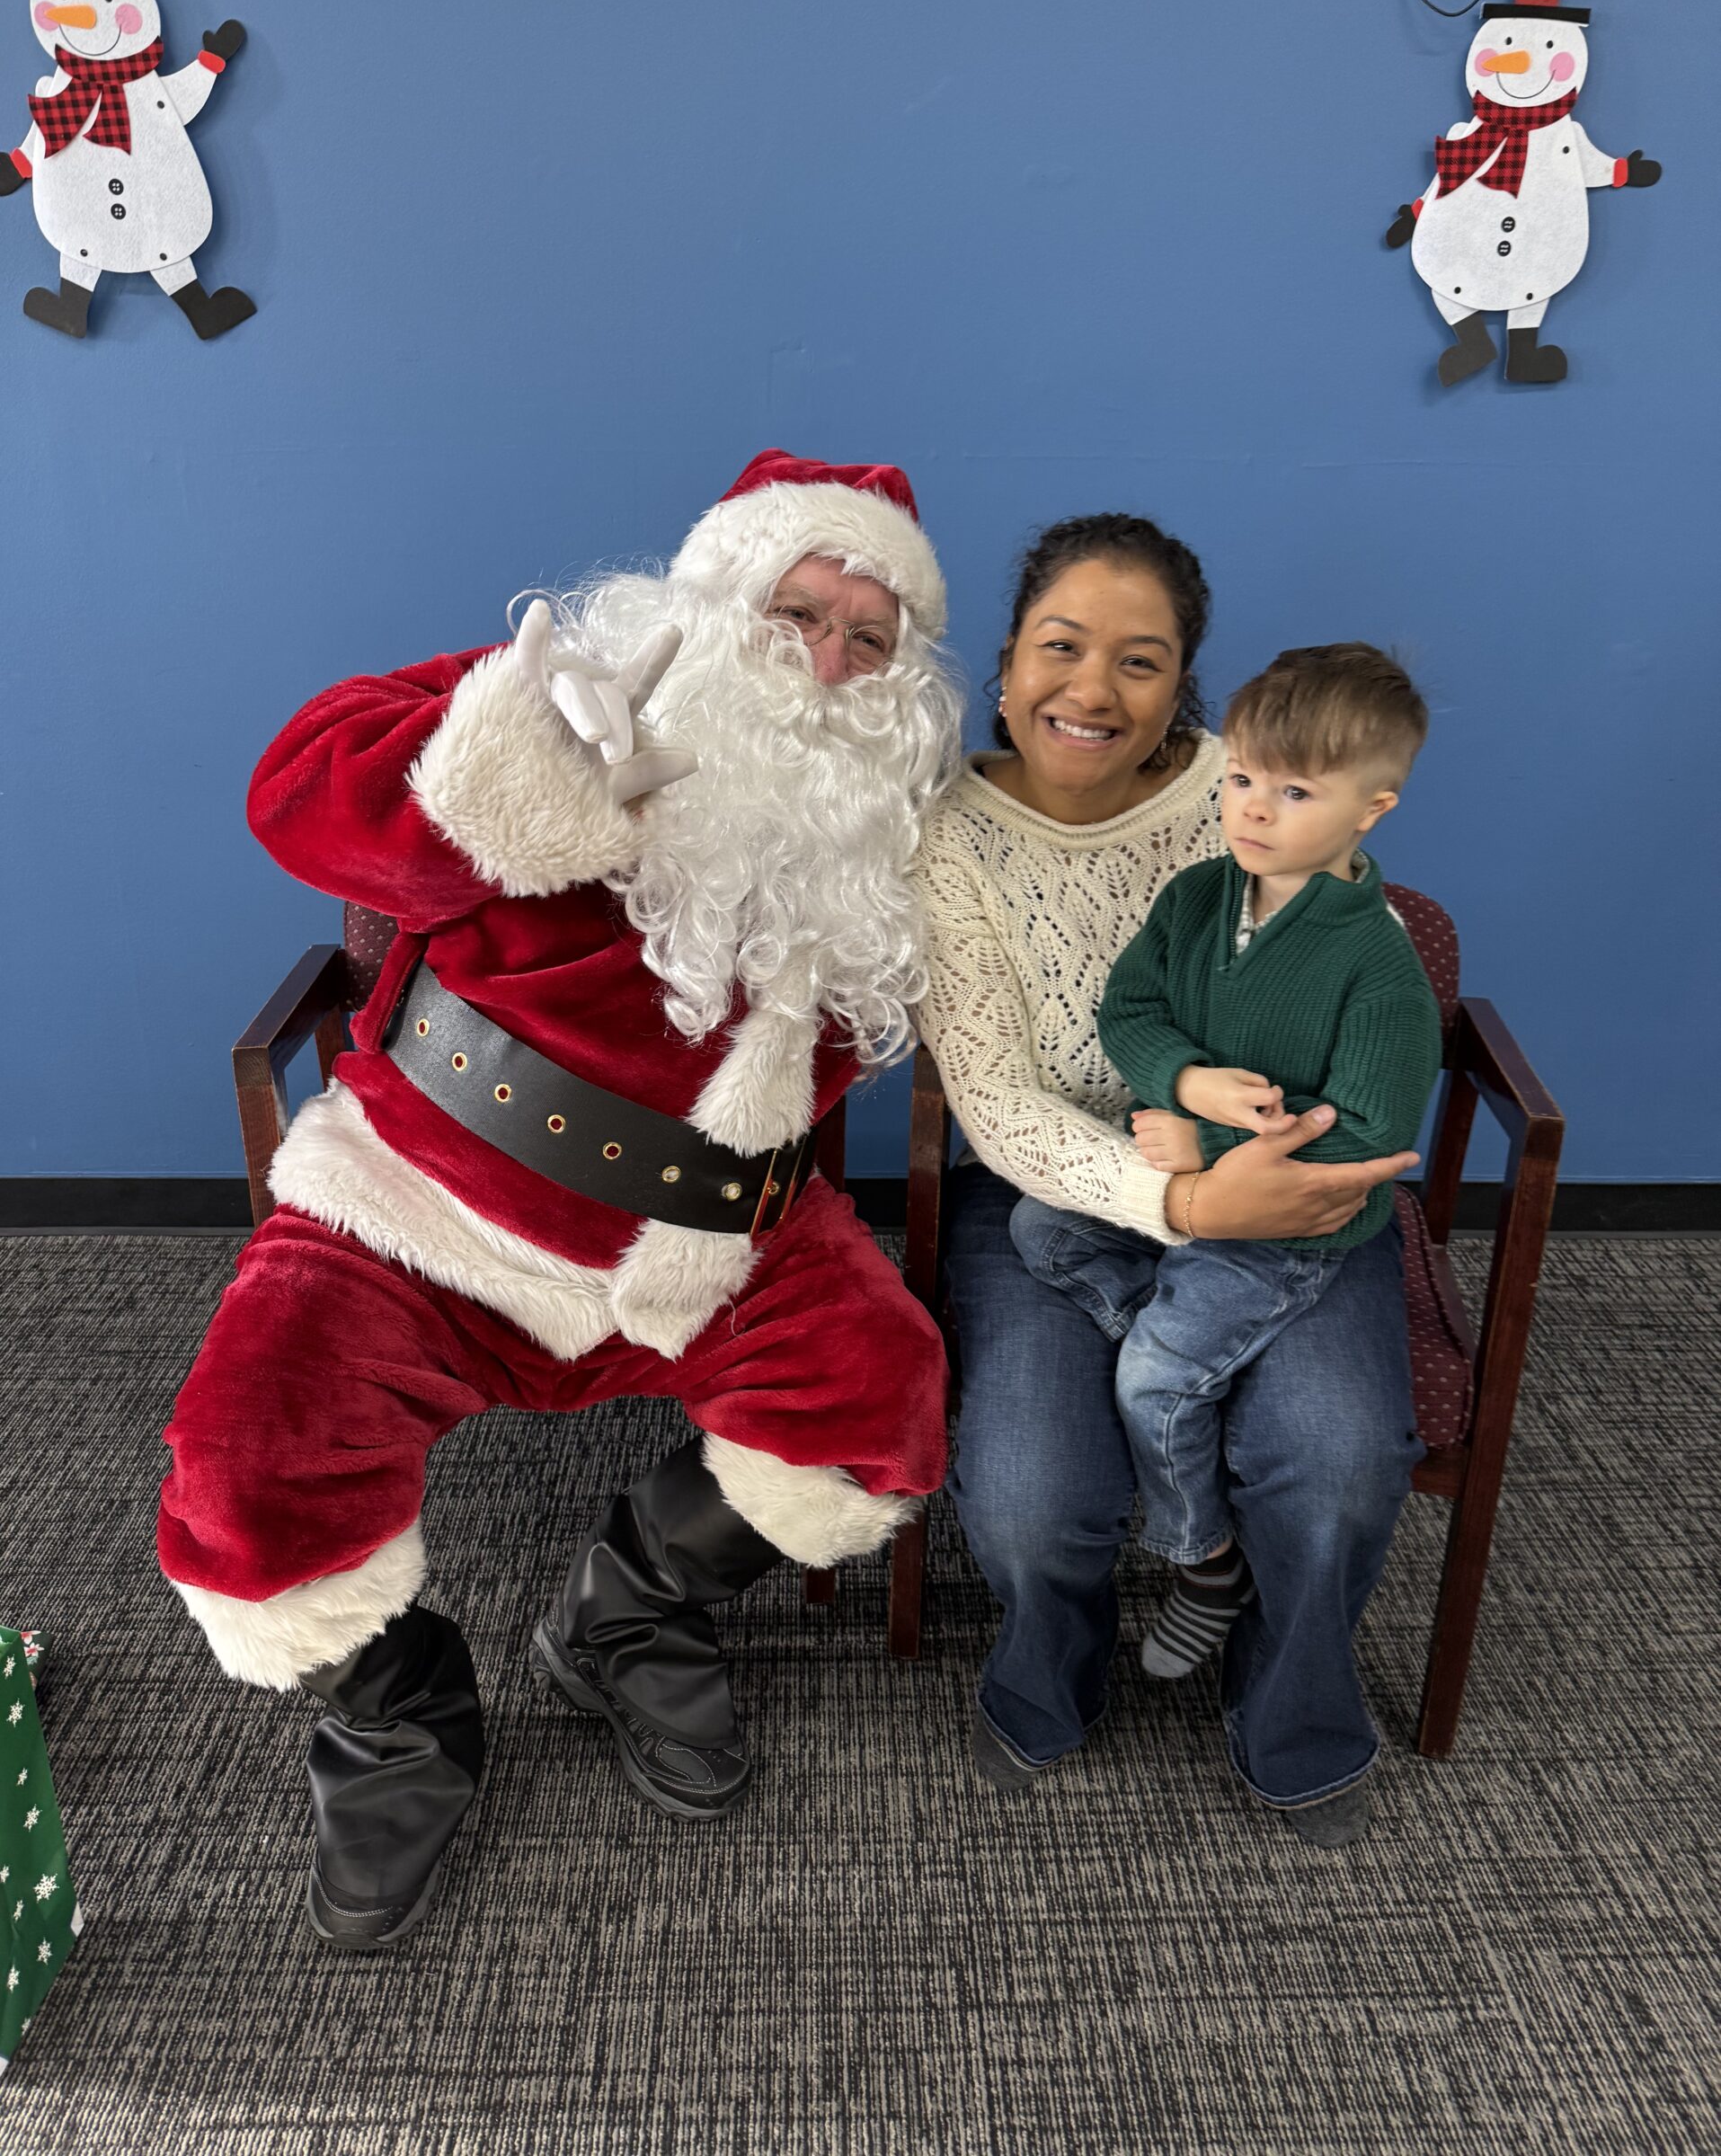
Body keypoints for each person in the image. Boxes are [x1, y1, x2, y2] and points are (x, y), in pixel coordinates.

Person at [158, 449, 963, 1947]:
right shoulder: (562, 695)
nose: (832, 661)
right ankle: (397, 1710)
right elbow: (295, 796)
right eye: (802, 612)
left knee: (881, 1411)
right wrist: (513, 772)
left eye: (873, 637)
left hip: (713, 1245)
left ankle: (630, 1606)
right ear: (715, 599)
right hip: (418, 1217)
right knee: (248, 1467)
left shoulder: (888, 832)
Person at [912, 516, 1424, 1849]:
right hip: (1056, 1196)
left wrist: (1262, 1166)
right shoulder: (943, 839)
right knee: (1030, 1498)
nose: (1090, 690)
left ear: (1183, 684)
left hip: (1287, 1182)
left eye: (1137, 663)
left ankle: (1294, 1709)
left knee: (1333, 1456)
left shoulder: (1245, 791)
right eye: (1059, 648)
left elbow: (1352, 989)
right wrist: (1181, 1202)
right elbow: (999, 1100)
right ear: (1009, 658)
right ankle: (1050, 1673)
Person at [1009, 643, 1442, 1690]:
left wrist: (1217, 1148)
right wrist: (1188, 1082)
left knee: (1151, 1376)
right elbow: (1131, 1010)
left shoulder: (1378, 965)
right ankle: (1209, 1350)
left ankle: (1201, 1559)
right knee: (1037, 1228)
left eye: (1293, 791)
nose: (1252, 809)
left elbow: (1371, 1139)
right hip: (1194, 1193)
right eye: (1243, 778)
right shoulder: (1203, 896)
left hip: (1290, 1226)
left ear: (1369, 809)